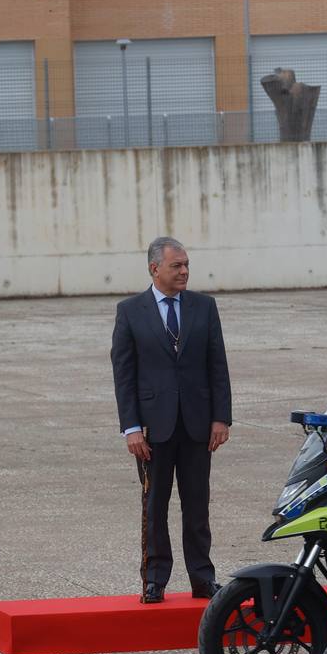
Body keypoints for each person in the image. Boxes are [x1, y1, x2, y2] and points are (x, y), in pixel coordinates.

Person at [111, 236, 232, 604]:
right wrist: (131, 427)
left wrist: (220, 418)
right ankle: (154, 579)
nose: (184, 271)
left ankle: (202, 578)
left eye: (186, 265)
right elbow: (124, 373)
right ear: (154, 269)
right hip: (152, 429)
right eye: (176, 266)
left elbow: (217, 364)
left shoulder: (204, 307)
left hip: (197, 425)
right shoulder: (131, 311)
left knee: (197, 506)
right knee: (154, 506)